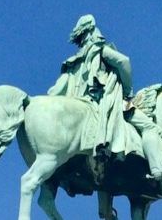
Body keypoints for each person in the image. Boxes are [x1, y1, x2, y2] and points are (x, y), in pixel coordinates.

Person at [48, 14, 132, 159]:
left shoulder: (73, 62)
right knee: (146, 126)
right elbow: (124, 61)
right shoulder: (99, 50)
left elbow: (57, 89)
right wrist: (127, 89)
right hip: (95, 103)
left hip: (73, 102)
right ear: (93, 30)